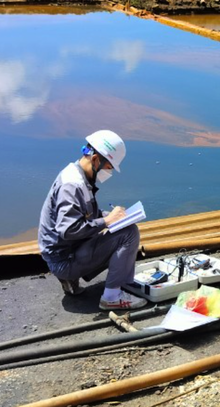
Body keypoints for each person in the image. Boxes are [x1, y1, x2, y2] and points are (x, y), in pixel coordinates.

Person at [38, 130, 147, 311]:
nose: (108, 172)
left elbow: (86, 214)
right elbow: (68, 230)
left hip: (63, 254)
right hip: (64, 259)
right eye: (108, 167)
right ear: (95, 159)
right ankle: (112, 297)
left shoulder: (77, 175)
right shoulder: (73, 186)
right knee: (129, 234)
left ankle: (71, 279)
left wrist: (109, 216)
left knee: (123, 226)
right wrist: (106, 222)